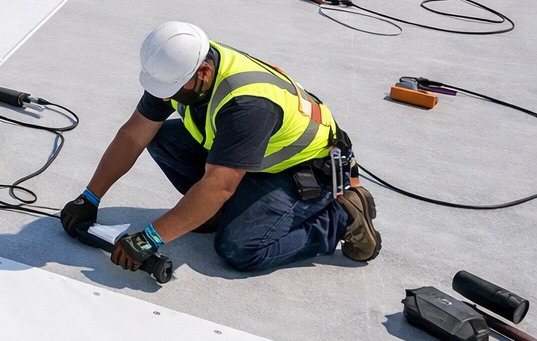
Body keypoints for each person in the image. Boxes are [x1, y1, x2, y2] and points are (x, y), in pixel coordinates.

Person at [59, 21, 380, 274]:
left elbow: (218, 186)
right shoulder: (181, 68)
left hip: (306, 170)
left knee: (240, 249)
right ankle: (216, 213)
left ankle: (340, 217)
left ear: (204, 72)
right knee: (161, 136)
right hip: (255, 156)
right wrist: (90, 197)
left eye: (172, 89)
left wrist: (150, 238)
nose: (166, 96)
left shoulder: (246, 106)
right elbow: (133, 135)